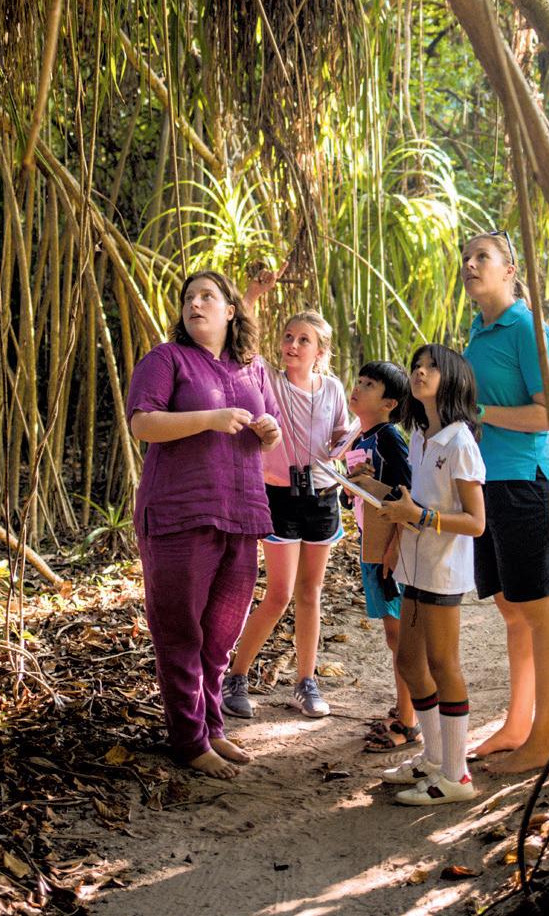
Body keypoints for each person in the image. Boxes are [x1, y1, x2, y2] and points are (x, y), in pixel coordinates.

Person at [127, 270, 282, 780]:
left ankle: (212, 727)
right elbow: (143, 423)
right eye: (189, 297)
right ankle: (188, 741)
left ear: (230, 310)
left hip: (241, 513)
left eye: (207, 296)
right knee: (179, 632)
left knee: (219, 636)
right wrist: (210, 419)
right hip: (178, 512)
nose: (196, 304)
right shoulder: (165, 359)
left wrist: (269, 430)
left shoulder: (252, 369)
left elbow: (272, 436)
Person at [462, 231, 549, 775]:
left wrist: (479, 412)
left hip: (526, 481)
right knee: (511, 611)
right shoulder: (478, 332)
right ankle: (517, 723)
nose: (471, 264)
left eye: (483, 256)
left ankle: (544, 738)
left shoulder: (527, 328)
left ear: (510, 270)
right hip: (489, 483)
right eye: (467, 257)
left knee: (540, 611)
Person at [221, 309, 351, 719]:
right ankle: (235, 677)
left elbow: (339, 438)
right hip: (279, 496)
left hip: (322, 497)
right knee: (279, 594)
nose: (292, 346)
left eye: (303, 340)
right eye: (289, 337)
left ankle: (305, 681)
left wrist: (353, 449)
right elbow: (242, 344)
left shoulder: (332, 389)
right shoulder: (268, 379)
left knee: (310, 593)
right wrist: (254, 296)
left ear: (321, 352)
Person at [378, 345, 486, 804]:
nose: (420, 373)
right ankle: (435, 759)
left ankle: (457, 777)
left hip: (443, 569)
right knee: (408, 662)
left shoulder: (460, 442)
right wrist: (395, 530)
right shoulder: (421, 436)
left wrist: (418, 518)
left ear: (454, 379)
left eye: (431, 368)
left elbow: (476, 521)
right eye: (416, 367)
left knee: (444, 666)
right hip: (415, 564)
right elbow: (414, 500)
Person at [344, 362, 417, 752]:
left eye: (368, 384)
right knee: (393, 634)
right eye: (358, 380)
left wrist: (394, 548)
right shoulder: (361, 437)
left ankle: (408, 721)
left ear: (389, 402)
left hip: (389, 546)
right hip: (371, 542)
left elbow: (407, 493)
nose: (357, 387)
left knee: (399, 635)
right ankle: (405, 708)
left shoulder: (389, 437)